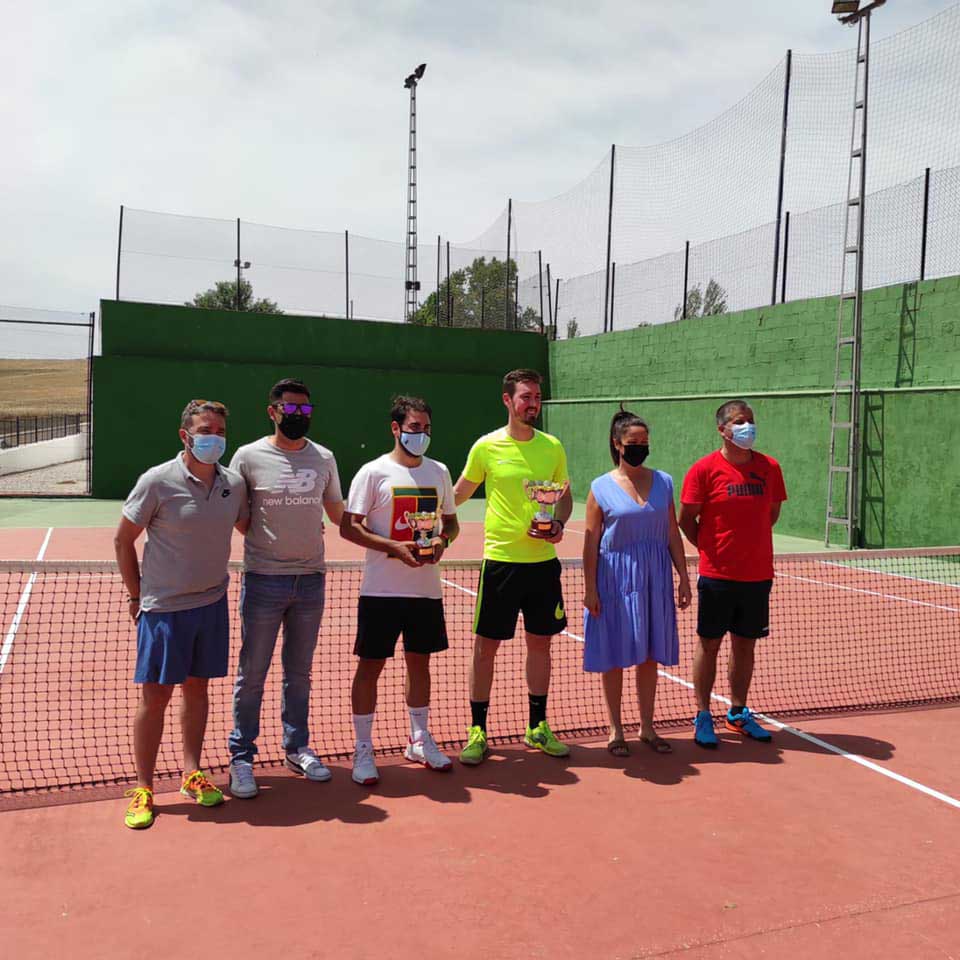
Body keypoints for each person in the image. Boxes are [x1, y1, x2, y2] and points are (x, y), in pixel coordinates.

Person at [115, 399, 248, 829]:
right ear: (185, 436)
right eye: (206, 430)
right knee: (155, 698)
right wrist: (137, 597)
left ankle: (192, 772)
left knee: (198, 690)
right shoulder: (158, 481)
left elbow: (250, 524)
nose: (215, 438)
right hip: (164, 610)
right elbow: (123, 540)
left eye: (221, 432)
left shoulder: (233, 484)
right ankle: (144, 786)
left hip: (211, 604)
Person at [226, 378, 344, 798]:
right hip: (263, 581)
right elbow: (240, 518)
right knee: (252, 674)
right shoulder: (248, 457)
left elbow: (337, 512)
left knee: (299, 673)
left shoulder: (324, 458)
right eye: (290, 410)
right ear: (272, 411)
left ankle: (297, 748)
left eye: (305, 411)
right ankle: (241, 756)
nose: (298, 417)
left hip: (311, 581)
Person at [453, 369, 573, 765]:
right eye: (525, 396)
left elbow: (564, 496)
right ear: (507, 400)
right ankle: (478, 731)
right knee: (485, 648)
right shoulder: (486, 447)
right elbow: (459, 493)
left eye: (537, 396)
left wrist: (558, 524)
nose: (532, 403)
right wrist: (422, 519)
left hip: (543, 564)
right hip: (501, 562)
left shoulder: (552, 446)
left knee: (540, 646)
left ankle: (537, 726)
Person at [340, 396, 459, 785]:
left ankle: (419, 739)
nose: (420, 434)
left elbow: (451, 523)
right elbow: (349, 526)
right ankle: (362, 749)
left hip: (425, 590)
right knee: (370, 667)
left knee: (419, 664)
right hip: (381, 591)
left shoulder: (439, 471)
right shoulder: (373, 473)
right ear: (395, 429)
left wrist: (441, 542)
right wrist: (393, 547)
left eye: (425, 428)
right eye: (413, 428)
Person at [678, 399, 787, 748]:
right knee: (709, 644)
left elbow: (771, 514)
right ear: (722, 429)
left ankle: (738, 713)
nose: (748, 427)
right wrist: (710, 550)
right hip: (717, 576)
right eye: (740, 422)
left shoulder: (770, 468)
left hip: (757, 575)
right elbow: (686, 519)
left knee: (745, 645)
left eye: (751, 421)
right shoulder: (703, 470)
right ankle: (703, 715)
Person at [582, 407, 691, 756]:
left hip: (654, 579)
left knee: (649, 656)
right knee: (613, 655)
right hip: (613, 580)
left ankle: (647, 727)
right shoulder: (599, 487)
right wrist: (590, 589)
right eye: (633, 442)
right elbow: (590, 543)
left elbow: (672, 533)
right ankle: (616, 730)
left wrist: (684, 577)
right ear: (617, 444)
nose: (640, 447)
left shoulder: (664, 482)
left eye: (645, 441)